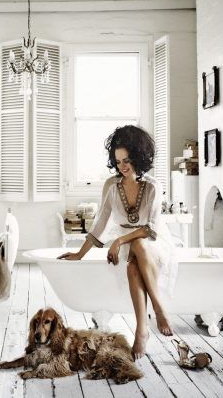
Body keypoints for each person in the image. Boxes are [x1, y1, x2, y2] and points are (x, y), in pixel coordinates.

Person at [58, 125, 175, 360]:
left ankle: (147, 323)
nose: (122, 166)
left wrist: (120, 240)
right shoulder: (111, 186)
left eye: (128, 160)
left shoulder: (153, 186)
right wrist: (80, 254)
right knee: (132, 265)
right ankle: (149, 320)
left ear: (140, 157)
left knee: (139, 247)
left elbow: (150, 231)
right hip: (126, 246)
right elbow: (100, 222)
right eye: (118, 160)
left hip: (151, 242)